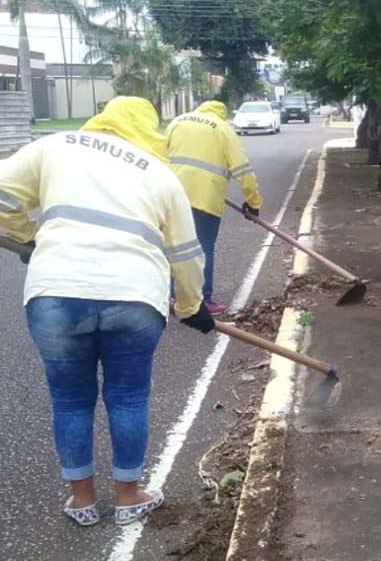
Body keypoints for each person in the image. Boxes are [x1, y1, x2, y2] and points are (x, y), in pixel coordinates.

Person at [0, 96, 215, 526]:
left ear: (101, 119)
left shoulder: (56, 146)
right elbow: (187, 253)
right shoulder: (160, 174)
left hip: (57, 293)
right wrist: (192, 306)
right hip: (134, 297)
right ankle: (128, 496)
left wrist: (30, 239)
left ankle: (82, 502)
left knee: (70, 400)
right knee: (128, 397)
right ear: (149, 128)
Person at [165, 101, 263, 315]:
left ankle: (174, 296)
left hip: (172, 194)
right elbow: (242, 168)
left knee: (176, 246)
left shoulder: (178, 121)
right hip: (204, 197)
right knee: (203, 247)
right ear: (221, 113)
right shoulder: (222, 128)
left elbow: (160, 153)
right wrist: (253, 203)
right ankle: (202, 301)